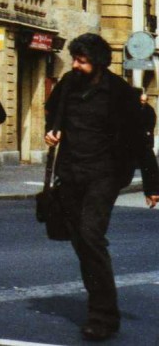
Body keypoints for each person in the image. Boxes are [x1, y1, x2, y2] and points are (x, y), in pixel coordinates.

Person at [44, 33, 159, 342]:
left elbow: (139, 141)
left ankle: (103, 316)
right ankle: (101, 303)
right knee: (81, 242)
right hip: (71, 173)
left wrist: (152, 184)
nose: (75, 65)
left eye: (82, 61)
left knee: (91, 235)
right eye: (74, 59)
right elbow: (52, 112)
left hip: (105, 174)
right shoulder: (68, 84)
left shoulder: (119, 93)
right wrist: (52, 131)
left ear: (98, 63)